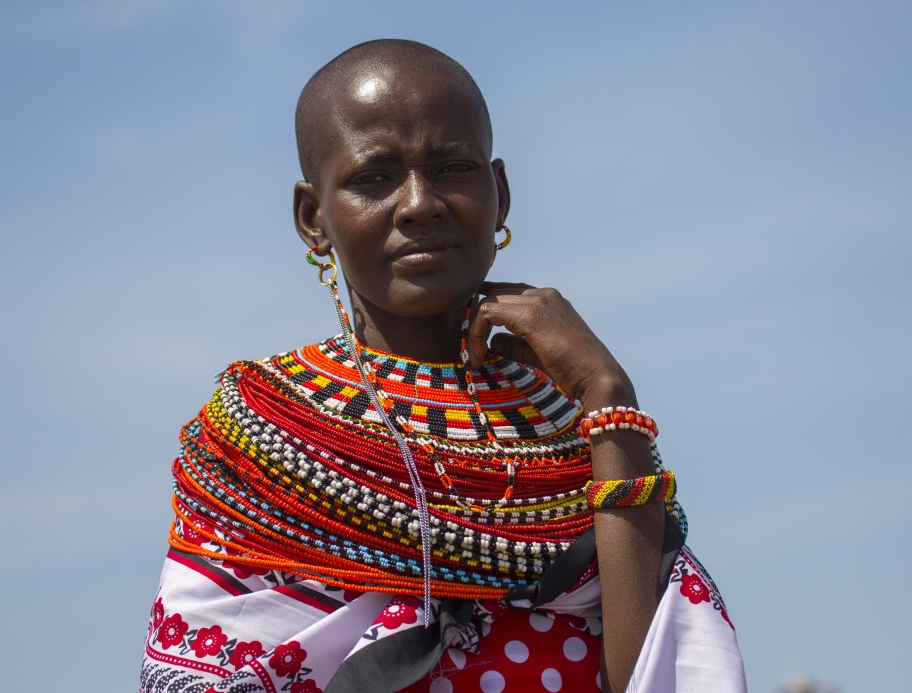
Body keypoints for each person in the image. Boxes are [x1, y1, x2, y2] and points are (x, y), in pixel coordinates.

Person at [140, 39, 746, 693]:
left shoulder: (578, 429)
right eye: (373, 177)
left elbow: (656, 675)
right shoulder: (262, 433)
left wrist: (608, 397)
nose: (419, 202)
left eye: (453, 167)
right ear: (313, 218)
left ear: (501, 192)